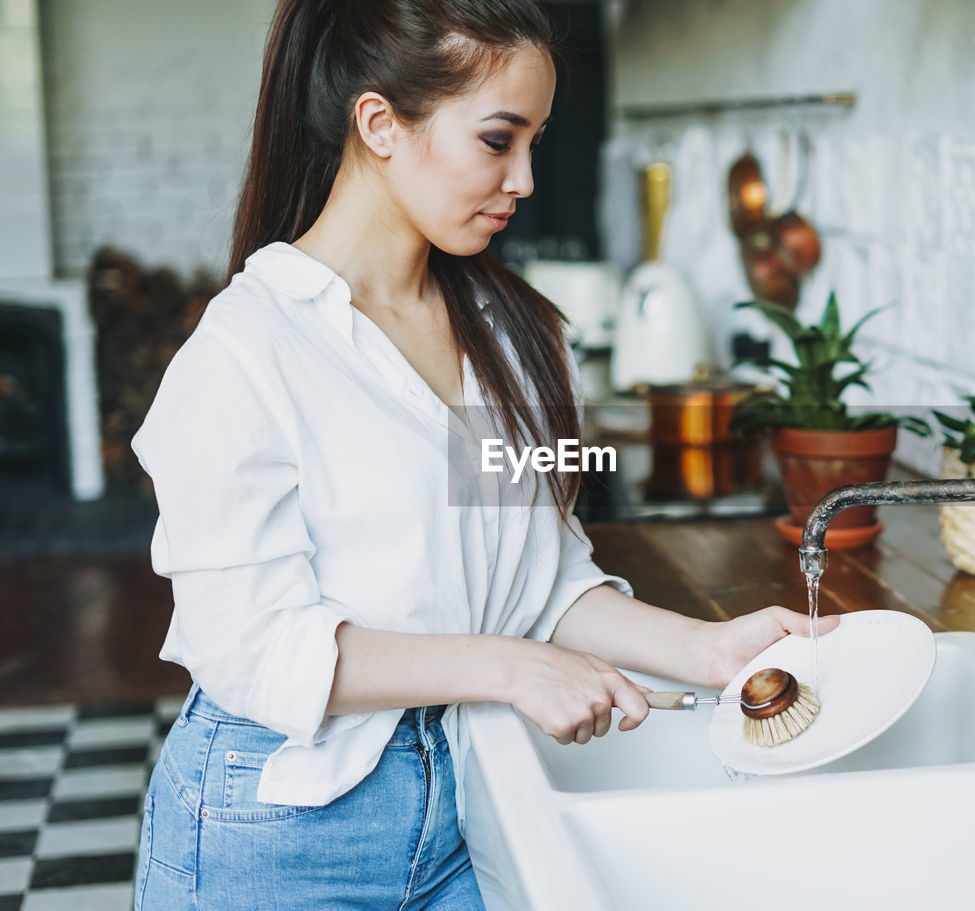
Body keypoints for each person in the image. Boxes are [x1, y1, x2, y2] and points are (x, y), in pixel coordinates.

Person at [130, 1, 835, 908]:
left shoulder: (511, 331)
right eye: (499, 141)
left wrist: (708, 649)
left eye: (535, 142)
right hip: (279, 826)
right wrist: (508, 667)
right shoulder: (248, 352)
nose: (527, 179)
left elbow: (536, 583)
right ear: (381, 125)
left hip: (473, 791)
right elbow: (253, 648)